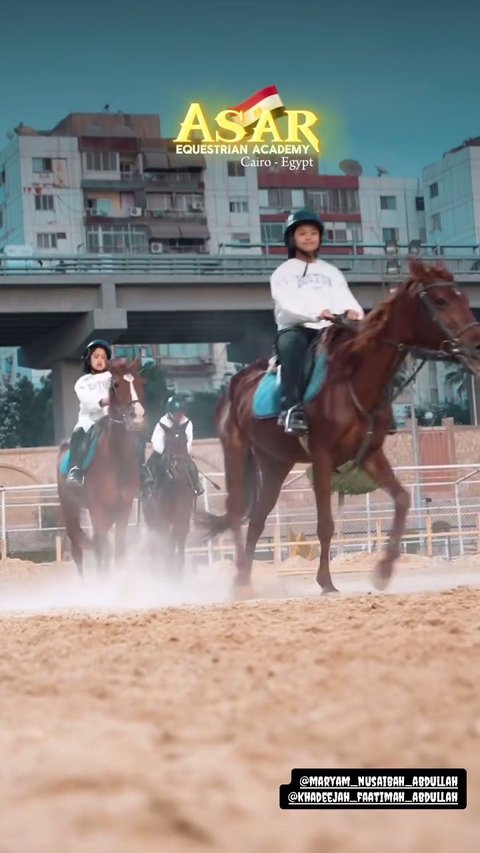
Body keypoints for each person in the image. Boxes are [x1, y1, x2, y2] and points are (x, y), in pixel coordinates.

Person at [271, 208, 365, 436]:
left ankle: (373, 410)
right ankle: (291, 408)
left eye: (313, 233)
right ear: (291, 239)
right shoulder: (283, 272)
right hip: (299, 329)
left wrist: (354, 312)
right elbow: (286, 304)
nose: (308, 237)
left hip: (332, 330)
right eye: (302, 233)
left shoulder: (332, 272)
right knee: (291, 345)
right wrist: (316, 313)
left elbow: (347, 298)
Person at [66, 339, 113, 486]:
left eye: (103, 357)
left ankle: (141, 468)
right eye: (96, 356)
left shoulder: (113, 377)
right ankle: (75, 469)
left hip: (112, 419)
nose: (100, 360)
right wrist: (101, 402)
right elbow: (86, 399)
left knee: (134, 434)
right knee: (77, 434)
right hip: (90, 421)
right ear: (88, 359)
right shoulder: (83, 382)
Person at [145, 395, 204, 496]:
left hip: (181, 451)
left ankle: (196, 485)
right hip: (163, 451)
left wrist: (185, 451)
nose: (178, 415)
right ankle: (147, 486)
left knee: (192, 465)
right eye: (176, 413)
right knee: (151, 463)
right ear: (170, 411)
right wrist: (165, 452)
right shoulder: (162, 422)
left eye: (180, 412)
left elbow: (189, 440)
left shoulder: (188, 423)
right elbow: (155, 440)